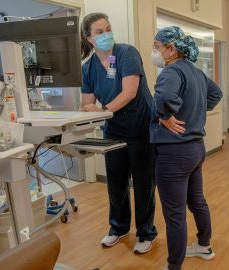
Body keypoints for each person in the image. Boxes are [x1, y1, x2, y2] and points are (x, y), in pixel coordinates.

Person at [79, 12, 157, 254]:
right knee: (116, 183)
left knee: (143, 184)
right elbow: (87, 103)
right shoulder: (88, 67)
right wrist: (87, 113)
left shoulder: (126, 53)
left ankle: (145, 233)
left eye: (108, 29)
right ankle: (118, 227)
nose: (106, 35)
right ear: (89, 39)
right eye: (99, 32)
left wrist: (101, 110)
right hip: (113, 131)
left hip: (140, 128)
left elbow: (130, 92)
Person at [150, 26, 223, 270]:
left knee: (174, 214)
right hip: (195, 150)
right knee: (196, 200)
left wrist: (165, 115)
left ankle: (174, 266)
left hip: (174, 153)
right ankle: (204, 245)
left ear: (171, 49)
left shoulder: (170, 72)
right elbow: (216, 93)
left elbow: (163, 98)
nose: (155, 52)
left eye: (157, 47)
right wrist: (195, 112)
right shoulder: (195, 71)